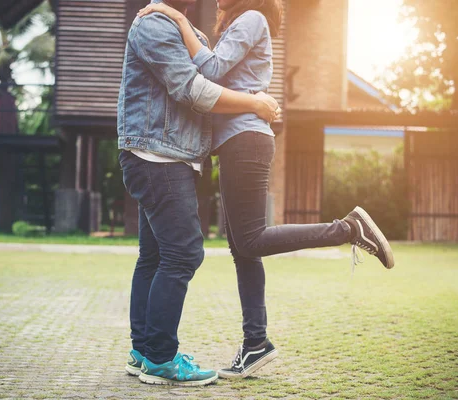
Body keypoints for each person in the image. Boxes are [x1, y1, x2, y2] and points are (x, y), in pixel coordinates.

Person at [137, 0, 395, 380]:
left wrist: (177, 18)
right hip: (236, 142)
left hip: (246, 140)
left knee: (251, 240)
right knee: (242, 249)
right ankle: (255, 343)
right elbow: (212, 73)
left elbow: (209, 68)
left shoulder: (252, 19)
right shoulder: (240, 24)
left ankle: (349, 228)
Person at [118, 0, 281, 387]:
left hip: (170, 156)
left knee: (155, 256)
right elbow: (192, 89)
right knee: (184, 253)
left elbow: (210, 78)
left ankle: (143, 352)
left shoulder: (192, 34)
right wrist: (255, 102)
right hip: (158, 156)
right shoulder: (155, 25)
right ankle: (160, 359)